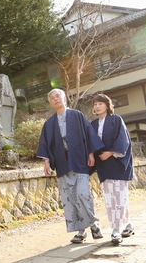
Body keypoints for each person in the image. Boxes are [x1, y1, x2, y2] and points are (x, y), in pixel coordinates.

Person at [37, 89, 105, 243]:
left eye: (58, 96)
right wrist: (46, 161)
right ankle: (81, 231)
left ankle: (93, 224)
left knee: (82, 194)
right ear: (50, 103)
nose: (56, 99)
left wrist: (90, 154)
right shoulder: (49, 123)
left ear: (64, 98)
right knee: (71, 198)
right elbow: (45, 144)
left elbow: (88, 134)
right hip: (62, 163)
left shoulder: (77, 115)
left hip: (79, 160)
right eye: (52, 98)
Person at [91, 93, 135, 245]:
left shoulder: (116, 120)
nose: (97, 106)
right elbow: (90, 143)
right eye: (95, 104)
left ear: (107, 106)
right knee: (111, 199)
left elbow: (123, 140)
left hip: (118, 163)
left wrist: (110, 152)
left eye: (100, 104)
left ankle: (116, 230)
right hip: (104, 165)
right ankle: (128, 225)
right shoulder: (94, 124)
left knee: (120, 197)